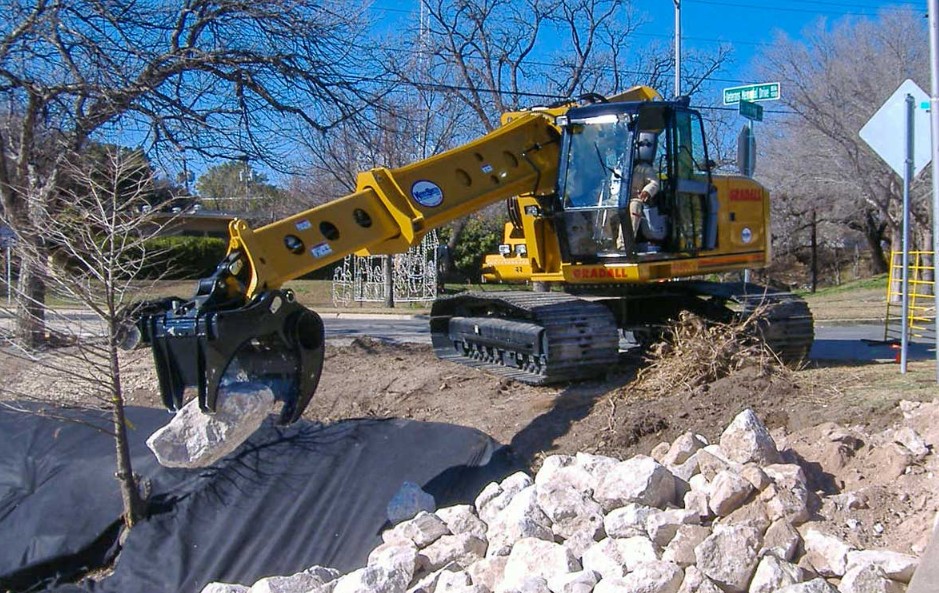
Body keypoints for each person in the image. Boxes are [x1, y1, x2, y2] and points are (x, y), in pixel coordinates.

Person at [628, 132, 666, 244]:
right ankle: (604, 241)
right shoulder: (618, 168)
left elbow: (654, 183)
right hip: (618, 200)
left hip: (636, 198)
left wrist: (646, 191)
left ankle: (625, 243)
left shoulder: (644, 168)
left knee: (634, 206)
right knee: (604, 208)